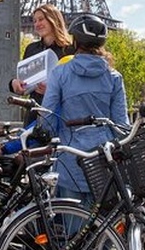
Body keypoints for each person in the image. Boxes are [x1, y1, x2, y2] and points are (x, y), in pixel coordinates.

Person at [40, 14, 129, 206]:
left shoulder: (60, 73)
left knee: (74, 229)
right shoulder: (114, 77)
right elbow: (121, 125)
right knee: (107, 229)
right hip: (104, 161)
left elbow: (47, 118)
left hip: (70, 159)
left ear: (75, 40)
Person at [9, 4, 74, 124]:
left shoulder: (70, 50)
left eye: (41, 19)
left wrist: (52, 91)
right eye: (34, 21)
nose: (37, 24)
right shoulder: (31, 49)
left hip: (61, 114)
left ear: (53, 20)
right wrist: (14, 83)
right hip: (35, 112)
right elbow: (24, 82)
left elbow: (77, 86)